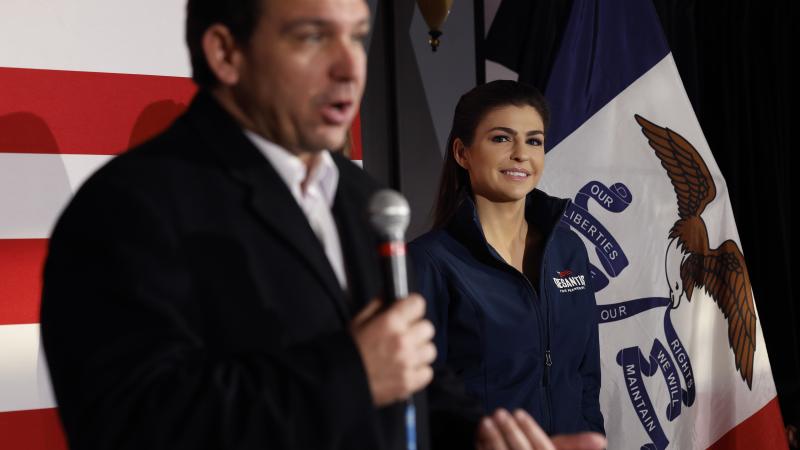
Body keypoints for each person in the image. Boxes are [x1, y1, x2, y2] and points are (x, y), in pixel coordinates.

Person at [40, 0, 606, 448]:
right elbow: (131, 424)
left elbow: (409, 375)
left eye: (358, 36)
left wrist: (481, 437)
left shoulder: (359, 198)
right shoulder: (130, 207)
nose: (348, 65)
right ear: (226, 53)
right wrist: (351, 375)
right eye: (312, 37)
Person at [410, 80, 605, 437]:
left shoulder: (569, 249)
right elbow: (421, 398)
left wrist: (592, 437)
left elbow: (586, 376)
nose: (521, 154)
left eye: (534, 140)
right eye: (501, 138)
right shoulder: (429, 262)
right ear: (462, 153)